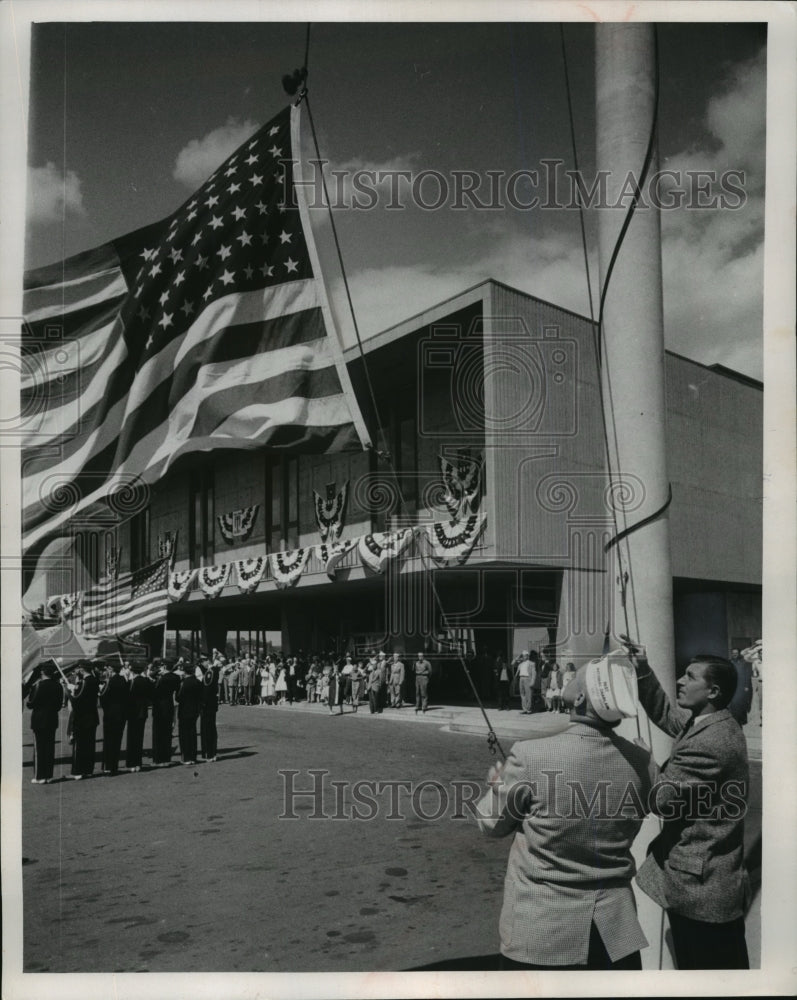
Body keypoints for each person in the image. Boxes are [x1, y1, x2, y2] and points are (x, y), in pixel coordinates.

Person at [475, 660, 655, 970]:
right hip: (615, 937)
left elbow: (491, 824)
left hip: (543, 935)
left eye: (579, 677)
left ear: (582, 699)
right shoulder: (641, 762)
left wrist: (498, 789)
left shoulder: (530, 755)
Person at [620, 637, 751, 970]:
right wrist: (642, 668)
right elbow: (667, 714)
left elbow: (662, 800)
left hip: (700, 893)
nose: (680, 680)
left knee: (705, 973)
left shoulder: (711, 743)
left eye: (690, 677)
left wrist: (645, 760)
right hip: (711, 887)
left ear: (713, 692)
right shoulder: (712, 723)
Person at [27, 662, 64, 783]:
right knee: (49, 748)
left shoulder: (38, 685)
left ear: (42, 672)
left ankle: (39, 776)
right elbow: (59, 705)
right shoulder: (58, 686)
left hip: (39, 719)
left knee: (39, 748)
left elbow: (30, 704)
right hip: (52, 718)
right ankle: (48, 775)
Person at [68, 663, 100, 779]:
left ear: (82, 669)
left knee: (80, 745)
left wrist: (70, 691)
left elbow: (77, 700)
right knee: (90, 744)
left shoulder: (84, 682)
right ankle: (88, 769)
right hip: (92, 716)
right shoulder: (94, 680)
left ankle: (78, 770)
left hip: (82, 717)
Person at [100, 662, 130, 775]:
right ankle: (114, 766)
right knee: (117, 740)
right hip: (121, 714)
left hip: (110, 714)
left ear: (111, 669)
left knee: (109, 740)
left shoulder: (110, 682)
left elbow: (103, 699)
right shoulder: (124, 680)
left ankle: (108, 765)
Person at [126, 664, 154, 772]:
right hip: (143, 711)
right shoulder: (146, 681)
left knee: (132, 738)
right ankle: (138, 763)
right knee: (139, 737)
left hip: (133, 711)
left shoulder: (132, 682)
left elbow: (128, 697)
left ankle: (132, 763)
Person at [151, 660, 180, 766]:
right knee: (167, 733)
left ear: (164, 666)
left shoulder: (162, 679)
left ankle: (158, 759)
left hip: (159, 706)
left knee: (158, 733)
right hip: (169, 705)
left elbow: (154, 693)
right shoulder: (176, 677)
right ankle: (166, 757)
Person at [177, 664, 204, 764]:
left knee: (184, 735)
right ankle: (193, 756)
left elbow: (179, 697)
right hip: (194, 710)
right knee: (192, 733)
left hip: (184, 710)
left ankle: (186, 757)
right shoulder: (197, 682)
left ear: (185, 671)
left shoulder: (184, 683)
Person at [727, 647, 753, 726]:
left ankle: (741, 720)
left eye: (736, 653)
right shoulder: (729, 662)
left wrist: (746, 685)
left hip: (741, 686)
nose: (734, 654)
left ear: (738, 654)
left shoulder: (743, 662)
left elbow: (747, 675)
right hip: (733, 685)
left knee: (741, 703)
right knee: (733, 703)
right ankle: (734, 719)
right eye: (733, 653)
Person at [200, 661, 220, 761]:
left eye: (203, 661)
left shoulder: (209, 673)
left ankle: (209, 753)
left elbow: (206, 690)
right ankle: (211, 753)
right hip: (212, 704)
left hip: (207, 705)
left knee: (207, 729)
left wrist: (202, 702)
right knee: (211, 729)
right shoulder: (212, 672)